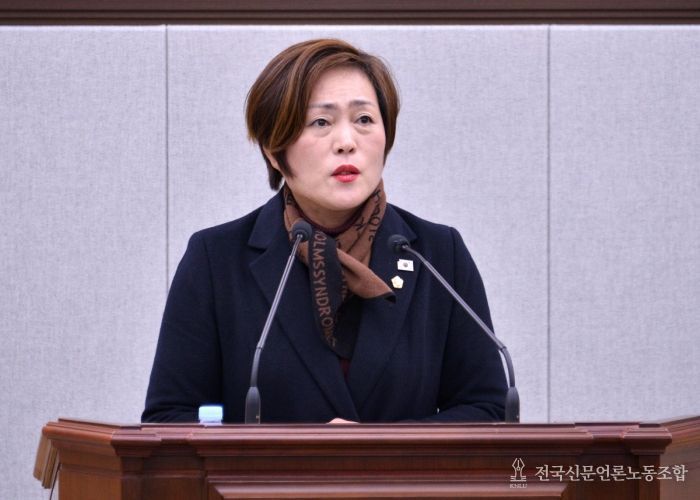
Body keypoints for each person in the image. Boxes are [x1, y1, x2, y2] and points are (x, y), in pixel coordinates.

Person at [142, 39, 507, 424]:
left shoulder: (438, 255)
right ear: (273, 149)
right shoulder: (216, 260)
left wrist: (377, 449)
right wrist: (299, 452)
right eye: (321, 122)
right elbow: (170, 418)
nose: (347, 143)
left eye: (364, 120)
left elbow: (487, 410)